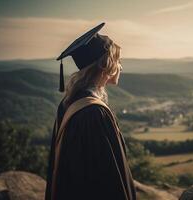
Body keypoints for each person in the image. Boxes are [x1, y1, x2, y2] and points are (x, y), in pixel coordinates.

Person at [45, 23, 136, 200]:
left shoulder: (70, 102)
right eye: (118, 61)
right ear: (105, 64)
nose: (121, 67)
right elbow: (108, 178)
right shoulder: (93, 113)